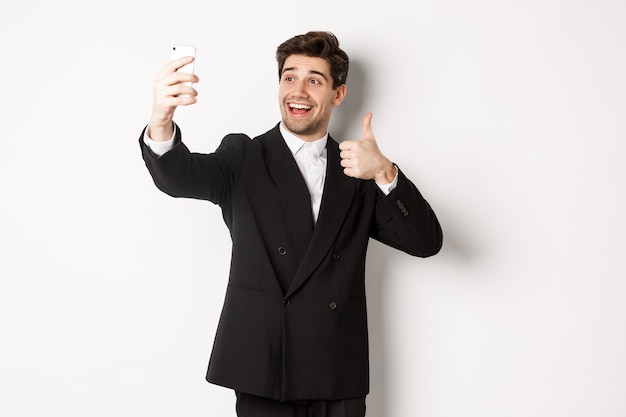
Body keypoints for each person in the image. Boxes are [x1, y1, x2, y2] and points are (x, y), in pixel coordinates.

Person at [139, 31, 442, 417]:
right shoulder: (244, 156)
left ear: (338, 94)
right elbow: (178, 177)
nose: (298, 90)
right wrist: (161, 121)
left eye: (314, 79)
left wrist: (385, 171)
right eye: (289, 77)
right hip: (266, 366)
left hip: (337, 369)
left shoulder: (359, 168)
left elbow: (426, 241)